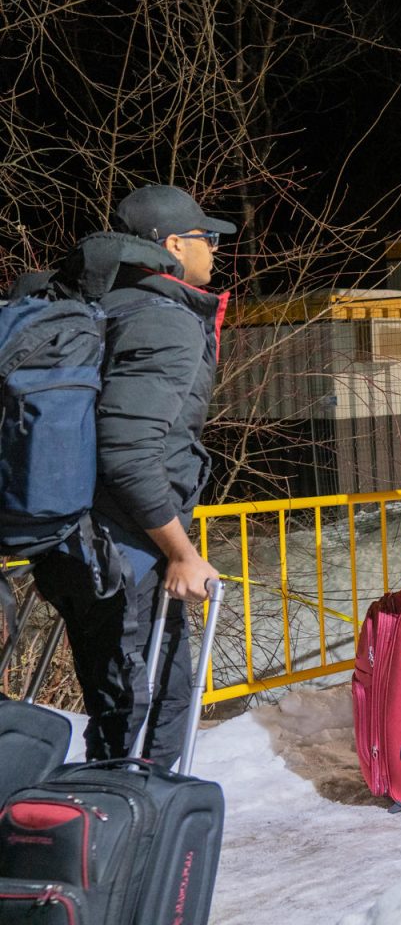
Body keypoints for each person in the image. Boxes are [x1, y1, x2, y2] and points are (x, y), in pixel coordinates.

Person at [32, 184, 232, 763]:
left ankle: (115, 832)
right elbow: (127, 451)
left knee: (120, 707)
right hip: (125, 553)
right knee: (143, 717)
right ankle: (125, 838)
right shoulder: (163, 321)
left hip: (78, 544)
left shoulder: (101, 308)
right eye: (206, 237)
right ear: (172, 244)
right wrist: (180, 552)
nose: (214, 249)